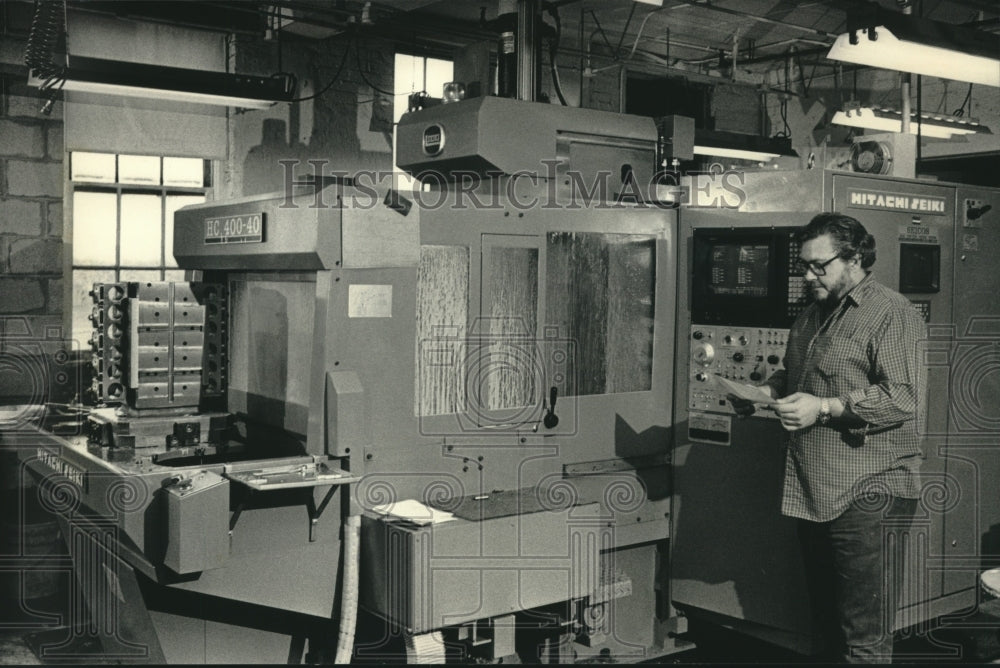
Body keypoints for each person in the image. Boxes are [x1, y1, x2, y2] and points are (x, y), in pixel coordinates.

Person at [730, 212, 926, 663]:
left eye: (820, 265)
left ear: (855, 258)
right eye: (804, 265)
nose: (808, 275)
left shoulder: (892, 313)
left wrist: (824, 408)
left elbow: (904, 396)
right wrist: (763, 393)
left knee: (863, 634)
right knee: (826, 624)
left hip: (870, 492)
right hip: (817, 489)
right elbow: (797, 375)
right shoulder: (813, 314)